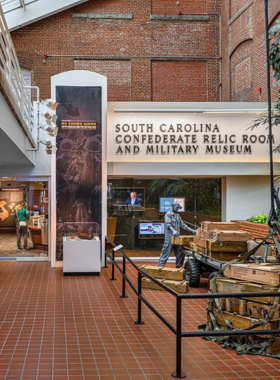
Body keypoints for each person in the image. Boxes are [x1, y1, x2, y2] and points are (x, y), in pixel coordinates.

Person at [158, 202, 196, 268]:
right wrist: (173, 231)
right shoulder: (168, 214)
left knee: (181, 252)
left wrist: (192, 231)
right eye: (177, 207)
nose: (178, 209)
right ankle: (159, 267)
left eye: (178, 207)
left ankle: (178, 267)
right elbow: (168, 224)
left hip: (177, 239)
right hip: (169, 238)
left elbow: (183, 225)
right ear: (173, 206)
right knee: (165, 253)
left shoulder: (177, 216)